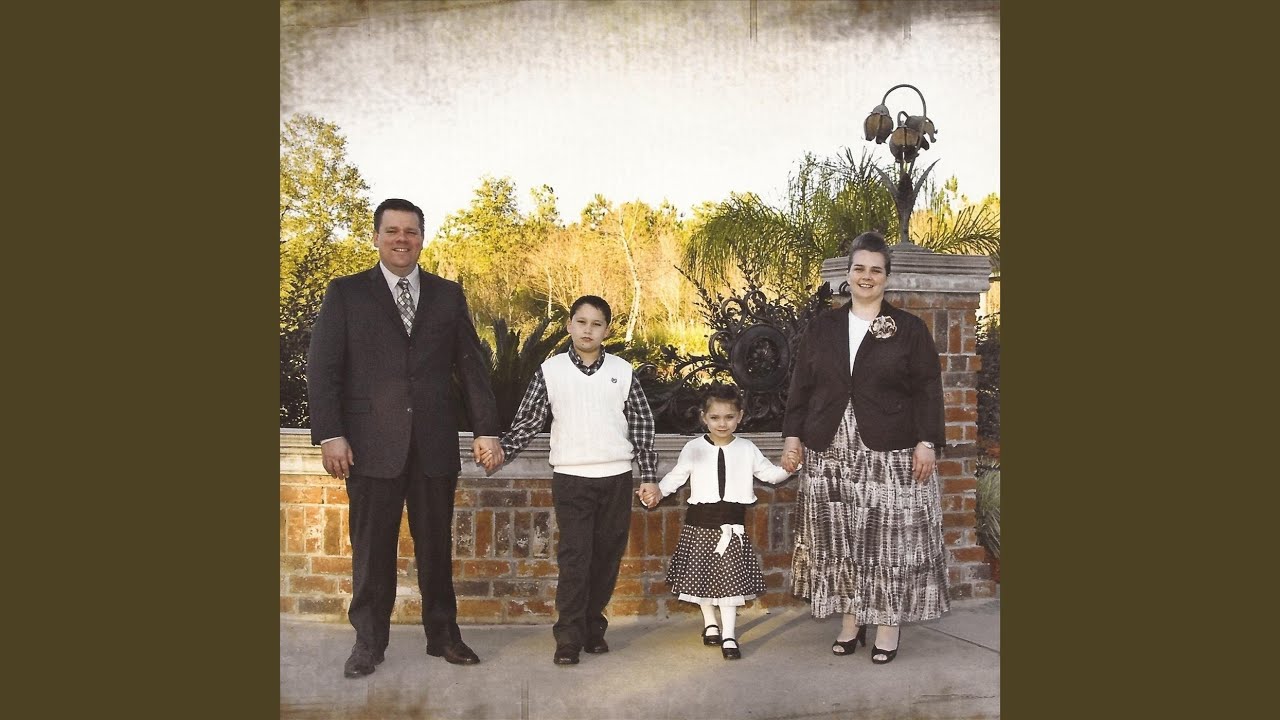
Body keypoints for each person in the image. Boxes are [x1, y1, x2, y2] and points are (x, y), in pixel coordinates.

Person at [307, 198, 505, 679]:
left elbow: (471, 367)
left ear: (422, 238)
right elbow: (323, 368)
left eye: (411, 231)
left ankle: (444, 636)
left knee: (436, 547)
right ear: (376, 237)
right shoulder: (346, 293)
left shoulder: (447, 295)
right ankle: (368, 643)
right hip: (369, 446)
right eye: (392, 231)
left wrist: (486, 429)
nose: (402, 239)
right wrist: (330, 434)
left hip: (434, 444)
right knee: (372, 550)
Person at [780, 230, 950, 665]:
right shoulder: (823, 327)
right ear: (848, 273)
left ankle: (888, 624)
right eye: (860, 268)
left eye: (876, 270)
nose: (867, 276)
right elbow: (801, 385)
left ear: (887, 277)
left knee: (886, 540)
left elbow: (928, 389)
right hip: (830, 448)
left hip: (889, 449)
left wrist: (926, 441)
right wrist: (793, 436)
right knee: (840, 537)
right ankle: (852, 620)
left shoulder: (909, 329)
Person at [494, 295, 660, 666]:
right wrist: (502, 451)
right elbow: (529, 421)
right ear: (569, 325)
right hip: (571, 478)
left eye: (596, 324)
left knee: (606, 557)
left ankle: (592, 628)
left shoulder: (622, 371)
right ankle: (568, 637)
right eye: (581, 322)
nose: (588, 330)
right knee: (575, 558)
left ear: (607, 331)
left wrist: (648, 477)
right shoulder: (550, 371)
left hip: (616, 477)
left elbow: (642, 427)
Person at [639, 382, 794, 660]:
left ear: (740, 416)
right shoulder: (693, 448)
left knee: (728, 583)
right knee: (701, 577)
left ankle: (729, 635)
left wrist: (791, 467)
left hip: (731, 528)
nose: (722, 424)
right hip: (699, 525)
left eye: (729, 417)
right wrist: (657, 492)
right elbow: (677, 476)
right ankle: (710, 623)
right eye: (715, 417)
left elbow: (770, 475)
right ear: (703, 417)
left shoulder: (747, 448)